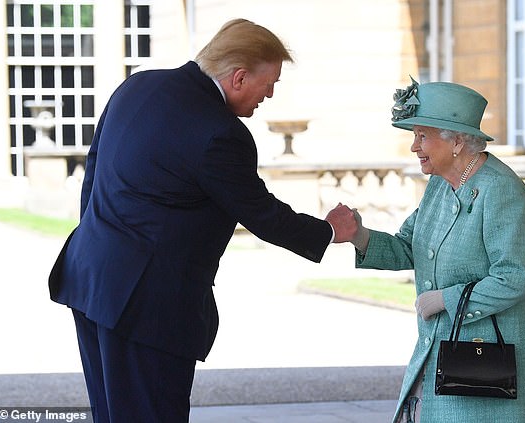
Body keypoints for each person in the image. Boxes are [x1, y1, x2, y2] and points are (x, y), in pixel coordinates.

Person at [48, 18, 357, 423]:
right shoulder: (220, 133)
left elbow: (94, 171)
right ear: (240, 76)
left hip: (90, 277)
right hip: (147, 306)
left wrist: (100, 237)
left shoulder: (137, 85)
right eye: (271, 82)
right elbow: (262, 213)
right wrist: (331, 230)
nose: (271, 93)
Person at [345, 78, 525, 422]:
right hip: (443, 353)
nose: (414, 147)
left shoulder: (501, 190)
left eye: (422, 136)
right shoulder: (439, 187)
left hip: (488, 361)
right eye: (414, 136)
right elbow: (407, 247)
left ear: (457, 141)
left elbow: (512, 278)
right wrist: (360, 235)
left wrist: (447, 298)